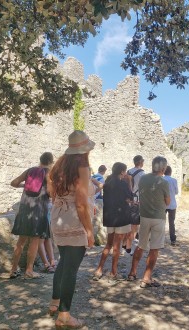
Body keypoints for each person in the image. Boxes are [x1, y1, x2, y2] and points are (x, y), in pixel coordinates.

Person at [47, 130, 95, 328]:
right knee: (71, 270)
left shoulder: (58, 167)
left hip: (58, 218)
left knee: (63, 262)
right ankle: (64, 316)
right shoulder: (83, 168)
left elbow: (52, 193)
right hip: (74, 221)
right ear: (84, 151)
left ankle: (54, 303)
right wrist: (90, 231)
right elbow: (81, 203)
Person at [9, 152, 54, 280]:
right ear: (51, 161)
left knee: (20, 242)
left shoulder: (30, 171)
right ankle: (29, 270)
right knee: (34, 241)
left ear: (40, 160)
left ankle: (13, 270)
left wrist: (25, 185)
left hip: (24, 209)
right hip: (39, 211)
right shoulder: (48, 173)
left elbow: (14, 183)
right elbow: (50, 193)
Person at [127, 156, 170, 288]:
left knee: (140, 245)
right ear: (163, 168)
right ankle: (146, 278)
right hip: (158, 218)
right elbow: (168, 201)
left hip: (144, 216)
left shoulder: (144, 178)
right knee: (154, 248)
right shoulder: (163, 183)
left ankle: (132, 273)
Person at [93, 162, 133, 283]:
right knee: (117, 246)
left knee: (108, 244)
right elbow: (130, 197)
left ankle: (99, 270)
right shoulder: (123, 184)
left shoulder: (108, 183)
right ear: (122, 172)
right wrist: (129, 181)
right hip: (121, 217)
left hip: (110, 217)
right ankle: (113, 272)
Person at [123, 155, 145, 253]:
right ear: (141, 162)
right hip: (136, 201)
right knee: (134, 226)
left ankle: (124, 244)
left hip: (127, 201)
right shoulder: (142, 174)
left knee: (128, 224)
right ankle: (128, 247)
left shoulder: (128, 172)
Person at [163, 165, 179, 246]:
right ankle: (172, 239)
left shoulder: (161, 180)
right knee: (171, 222)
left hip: (163, 204)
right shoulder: (174, 180)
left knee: (161, 221)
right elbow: (176, 192)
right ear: (170, 172)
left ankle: (160, 239)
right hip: (172, 204)